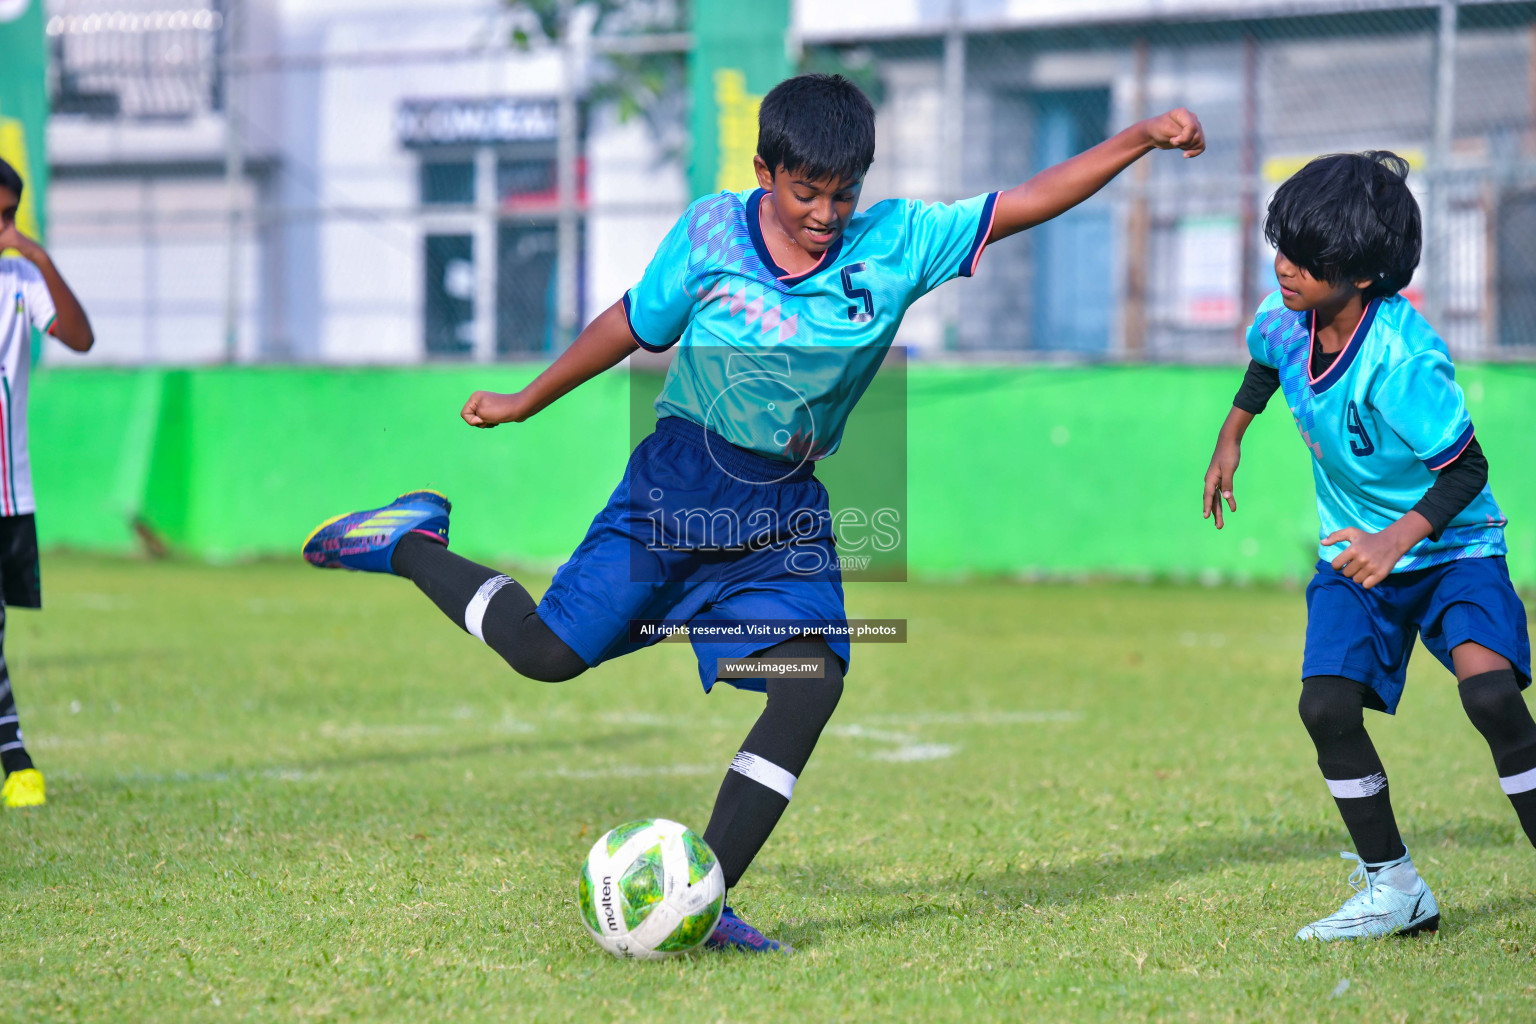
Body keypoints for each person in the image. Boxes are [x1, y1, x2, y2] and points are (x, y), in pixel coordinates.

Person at [305, 73, 1205, 951]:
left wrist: (1137, 139)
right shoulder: (709, 232)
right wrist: (527, 399)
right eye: (807, 191)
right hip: (677, 489)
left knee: (813, 679)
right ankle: (410, 542)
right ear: (766, 171)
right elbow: (632, 322)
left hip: (784, 514)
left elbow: (1026, 202)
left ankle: (709, 896)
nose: (826, 213)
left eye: (843, 193)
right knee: (545, 655)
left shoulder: (897, 242)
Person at [1203, 151, 1534, 940]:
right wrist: (1231, 437)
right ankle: (1396, 890)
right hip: (1356, 560)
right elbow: (1264, 363)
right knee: (1325, 707)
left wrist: (1397, 540)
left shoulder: (1404, 359)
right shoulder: (1286, 317)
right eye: (1279, 244)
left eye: (1303, 257)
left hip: (1453, 548)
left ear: (1359, 272)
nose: (1282, 266)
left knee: (1491, 697)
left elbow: (1468, 471)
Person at [0, 157, 96, 808]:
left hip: (7, 490)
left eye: (11, 215)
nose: (4, 227)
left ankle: (13, 754)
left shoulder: (19, 278)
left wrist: (36, 254)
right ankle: (15, 754)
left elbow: (81, 337)